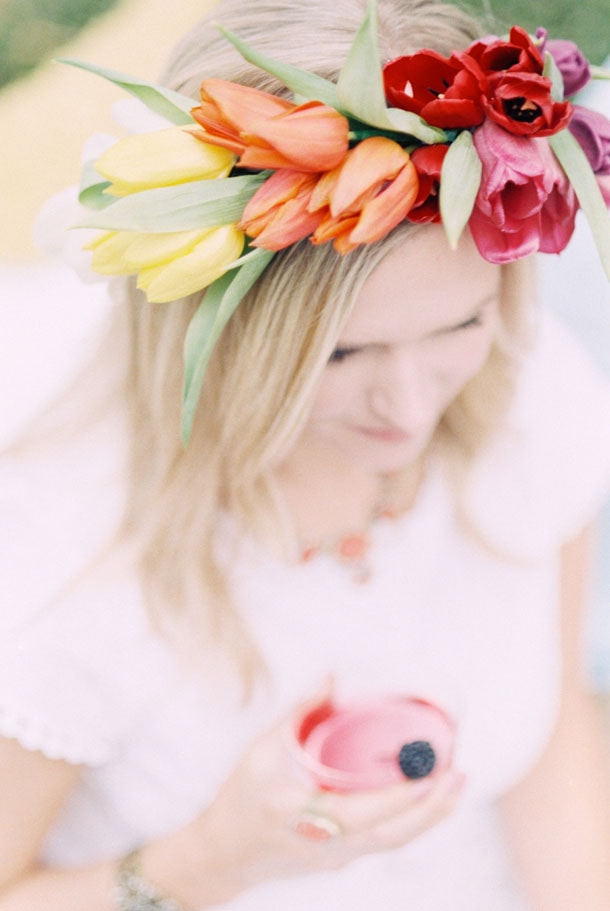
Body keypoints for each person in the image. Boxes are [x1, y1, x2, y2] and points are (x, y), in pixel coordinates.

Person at [2, 0, 610, 908]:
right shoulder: (70, 553)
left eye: (460, 324)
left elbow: (555, 729)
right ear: (210, 330)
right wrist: (213, 857)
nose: (410, 408)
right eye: (340, 354)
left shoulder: (519, 395)